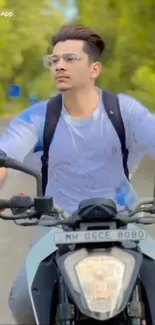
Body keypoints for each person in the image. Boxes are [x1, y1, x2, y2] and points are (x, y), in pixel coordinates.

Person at [0, 24, 155, 324]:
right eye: (54, 60)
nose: (59, 65)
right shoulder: (37, 117)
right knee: (22, 301)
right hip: (58, 223)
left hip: (124, 221)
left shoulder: (125, 111)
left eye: (70, 59)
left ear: (94, 68)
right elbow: (4, 158)